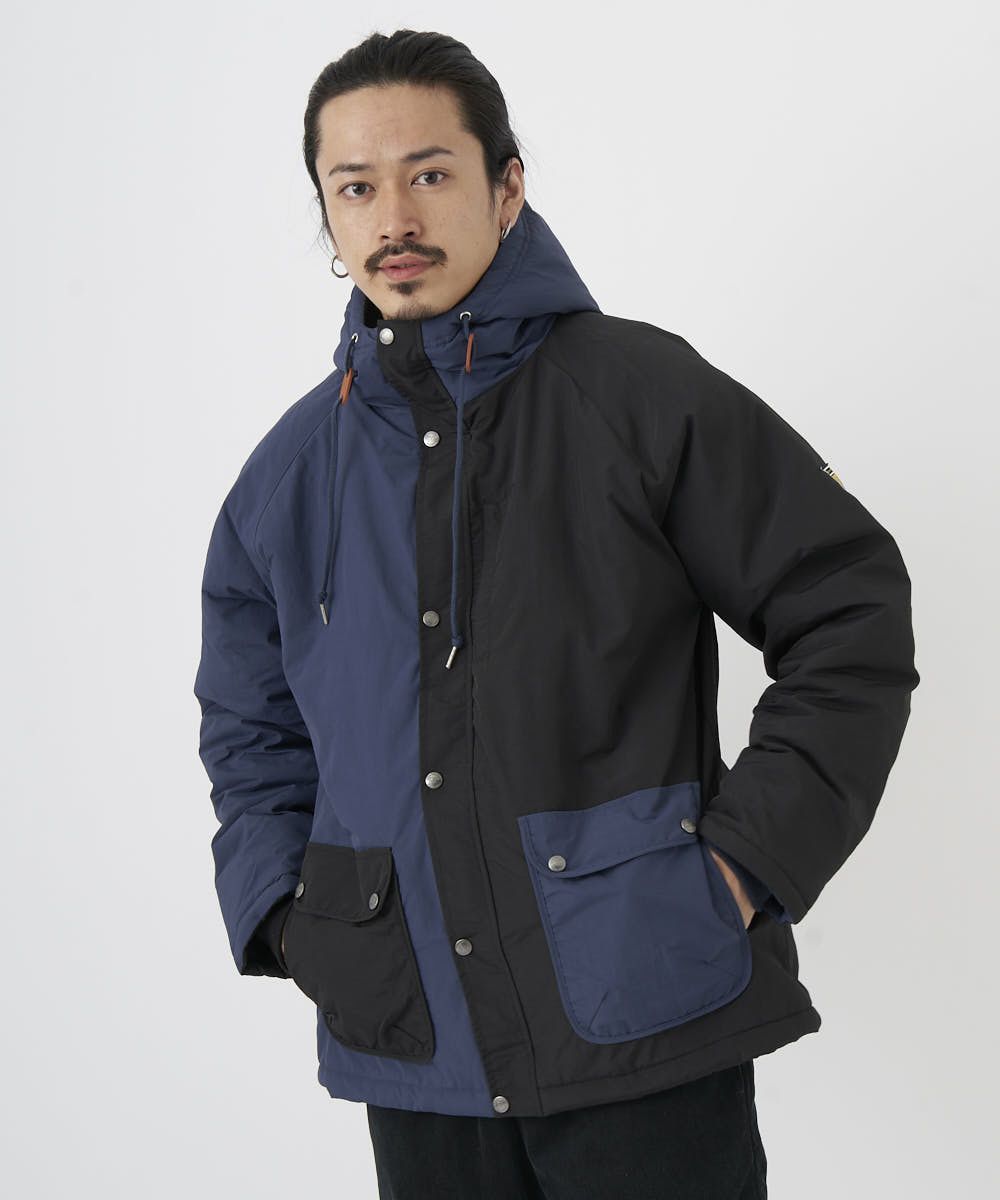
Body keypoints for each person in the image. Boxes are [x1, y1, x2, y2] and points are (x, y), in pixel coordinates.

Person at [193, 27, 919, 1200]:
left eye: (430, 172)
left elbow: (847, 609)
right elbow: (249, 731)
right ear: (326, 216)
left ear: (507, 185)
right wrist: (288, 915)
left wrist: (748, 862)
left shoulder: (638, 398)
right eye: (356, 187)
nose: (395, 218)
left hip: (643, 1010)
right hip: (412, 1039)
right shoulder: (288, 477)